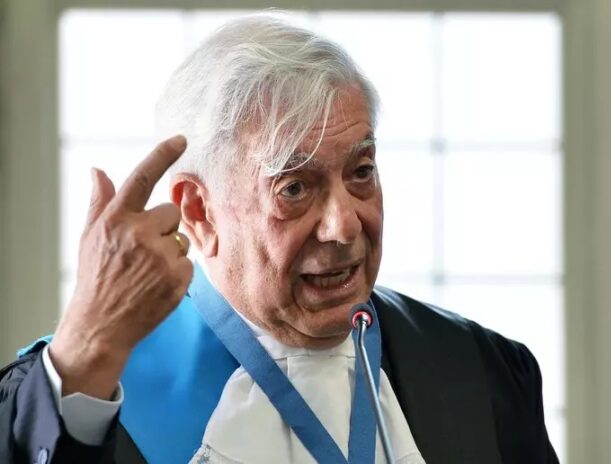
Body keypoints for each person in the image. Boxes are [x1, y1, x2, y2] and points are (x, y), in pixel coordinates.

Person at [0, 15, 559, 464]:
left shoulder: (480, 370)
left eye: (361, 172)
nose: (343, 227)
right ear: (199, 211)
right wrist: (89, 347)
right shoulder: (89, 388)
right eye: (294, 188)